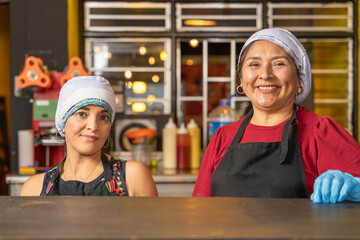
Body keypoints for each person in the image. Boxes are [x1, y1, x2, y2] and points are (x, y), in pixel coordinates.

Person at [193, 28, 360, 203]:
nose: (265, 75)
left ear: (299, 79)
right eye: (254, 64)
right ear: (241, 80)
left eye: (278, 63)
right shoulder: (222, 137)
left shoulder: (320, 131)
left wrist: (356, 188)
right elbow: (201, 210)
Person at [20, 76, 158, 196]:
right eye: (82, 114)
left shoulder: (133, 177)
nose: (93, 126)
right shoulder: (33, 189)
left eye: (103, 117)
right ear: (63, 121)